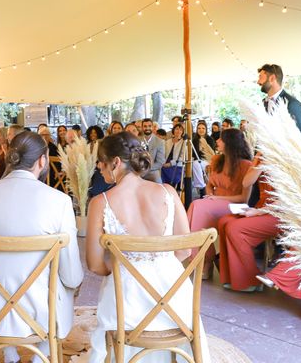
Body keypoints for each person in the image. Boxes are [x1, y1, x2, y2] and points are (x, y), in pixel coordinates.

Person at [86, 132, 210, 362]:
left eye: (101, 164)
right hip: (176, 305)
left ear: (115, 162)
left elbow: (94, 265)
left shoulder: (99, 203)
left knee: (114, 286)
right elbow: (184, 250)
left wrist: (124, 269)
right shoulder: (169, 193)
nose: (100, 170)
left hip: (127, 309)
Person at [0, 131, 83, 363]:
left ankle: (9, 355)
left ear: (9, 156)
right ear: (42, 160)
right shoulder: (59, 201)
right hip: (41, 312)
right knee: (68, 279)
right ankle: (41, 356)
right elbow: (72, 277)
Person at [187, 128, 252, 279]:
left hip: (234, 204)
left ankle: (204, 261)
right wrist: (210, 196)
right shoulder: (217, 160)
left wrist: (217, 199)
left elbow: (244, 199)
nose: (217, 141)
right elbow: (209, 185)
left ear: (230, 143)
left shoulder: (246, 165)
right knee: (197, 206)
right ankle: (205, 259)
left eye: (221, 139)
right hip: (215, 202)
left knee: (197, 206)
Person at [217, 153, 278, 292]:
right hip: (262, 207)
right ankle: (232, 277)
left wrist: (258, 212)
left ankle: (250, 279)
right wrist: (258, 163)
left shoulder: (287, 158)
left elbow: (289, 198)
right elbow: (246, 182)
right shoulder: (263, 156)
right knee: (223, 221)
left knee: (235, 228)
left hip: (280, 213)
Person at [257, 63, 301, 142]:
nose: (258, 82)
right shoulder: (262, 104)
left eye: (260, 77)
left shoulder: (292, 104)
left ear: (272, 78)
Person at [139, 118, 165, 183]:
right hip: (139, 170)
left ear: (152, 127)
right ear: (142, 128)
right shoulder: (137, 140)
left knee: (158, 182)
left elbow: (160, 162)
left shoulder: (160, 141)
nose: (147, 128)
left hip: (153, 171)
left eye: (149, 126)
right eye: (145, 126)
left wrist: (147, 168)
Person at [161, 123, 185, 187]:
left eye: (181, 130)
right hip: (165, 163)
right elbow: (163, 153)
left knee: (165, 171)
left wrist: (170, 164)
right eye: (177, 129)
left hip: (177, 165)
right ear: (173, 130)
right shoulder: (168, 141)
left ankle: (171, 188)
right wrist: (163, 162)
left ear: (182, 132)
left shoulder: (184, 142)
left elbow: (182, 157)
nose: (178, 131)